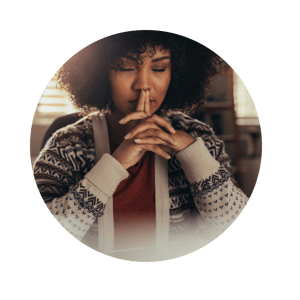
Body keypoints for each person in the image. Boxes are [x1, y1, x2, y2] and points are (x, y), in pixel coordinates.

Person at [33, 30, 249, 261]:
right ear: (100, 73)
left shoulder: (198, 137)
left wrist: (193, 154)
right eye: (125, 68)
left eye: (158, 68)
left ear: (175, 73)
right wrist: (115, 164)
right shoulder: (68, 145)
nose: (143, 85)